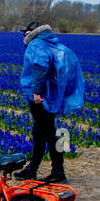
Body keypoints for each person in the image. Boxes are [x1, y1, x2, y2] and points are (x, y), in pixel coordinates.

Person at [14, 21, 84, 183]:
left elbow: (40, 66)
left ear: (32, 33)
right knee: (39, 132)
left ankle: (58, 172)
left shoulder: (36, 44)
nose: (24, 36)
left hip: (40, 96)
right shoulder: (53, 43)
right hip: (51, 95)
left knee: (49, 133)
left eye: (26, 33)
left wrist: (37, 91)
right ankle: (32, 169)